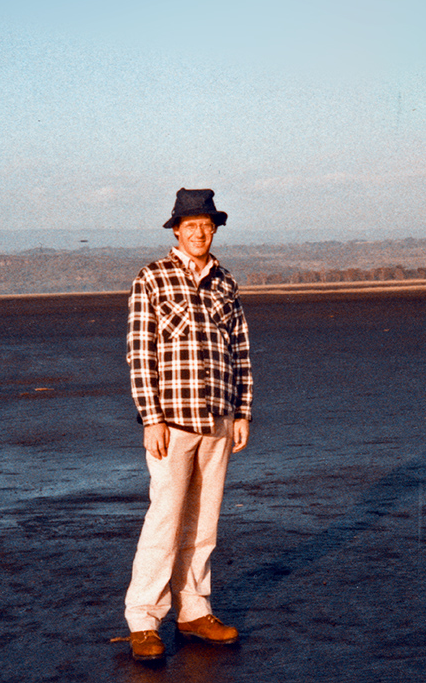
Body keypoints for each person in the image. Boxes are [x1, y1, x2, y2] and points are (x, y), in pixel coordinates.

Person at [123, 188, 253, 661]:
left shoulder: (225, 282)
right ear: (176, 230)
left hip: (218, 419)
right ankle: (144, 619)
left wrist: (242, 412)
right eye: (190, 225)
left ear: (214, 229)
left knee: (204, 522)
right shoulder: (152, 279)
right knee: (165, 519)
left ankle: (194, 611)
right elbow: (141, 354)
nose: (199, 232)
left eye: (207, 225)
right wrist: (150, 417)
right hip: (172, 422)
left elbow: (240, 353)